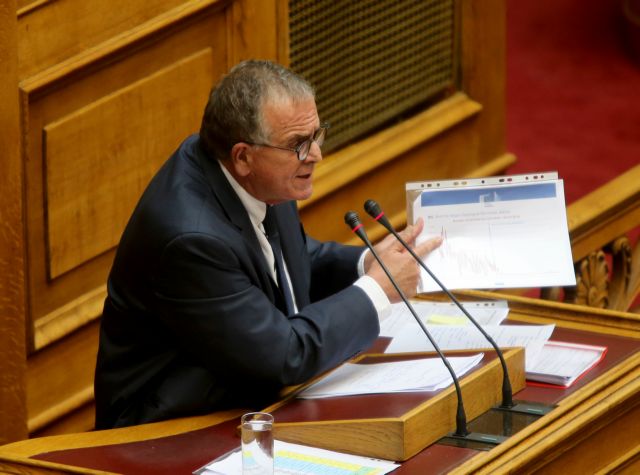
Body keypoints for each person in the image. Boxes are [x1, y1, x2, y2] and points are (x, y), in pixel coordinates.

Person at [94, 60, 441, 429]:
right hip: (168, 430)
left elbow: (288, 263)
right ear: (243, 156)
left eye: (316, 135)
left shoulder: (258, 173)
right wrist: (377, 291)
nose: (315, 154)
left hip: (247, 398)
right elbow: (284, 356)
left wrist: (371, 263)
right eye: (299, 144)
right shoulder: (191, 240)